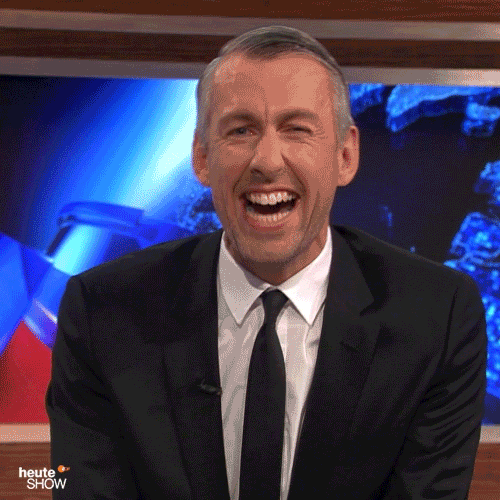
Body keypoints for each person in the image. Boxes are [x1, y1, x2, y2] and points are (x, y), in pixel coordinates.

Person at [47, 26, 487, 499]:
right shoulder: (101, 312)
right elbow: (76, 485)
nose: (267, 161)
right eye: (241, 130)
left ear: (345, 155)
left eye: (297, 130)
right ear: (201, 156)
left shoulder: (438, 318)